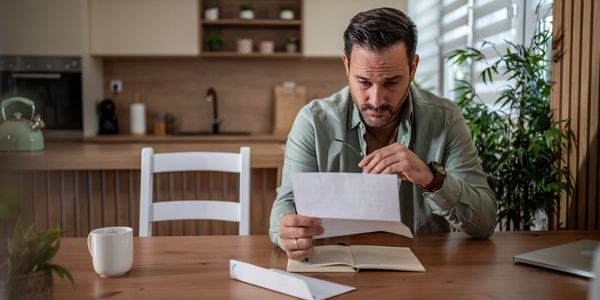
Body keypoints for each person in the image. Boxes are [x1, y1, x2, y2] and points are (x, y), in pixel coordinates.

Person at [269, 7, 497, 261]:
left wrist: (430, 179)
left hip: (428, 274)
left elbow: (484, 222)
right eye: (364, 82)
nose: (376, 100)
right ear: (346, 65)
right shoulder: (313, 121)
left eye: (391, 82)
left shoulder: (445, 119)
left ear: (413, 67)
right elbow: (286, 203)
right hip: (335, 268)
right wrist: (287, 233)